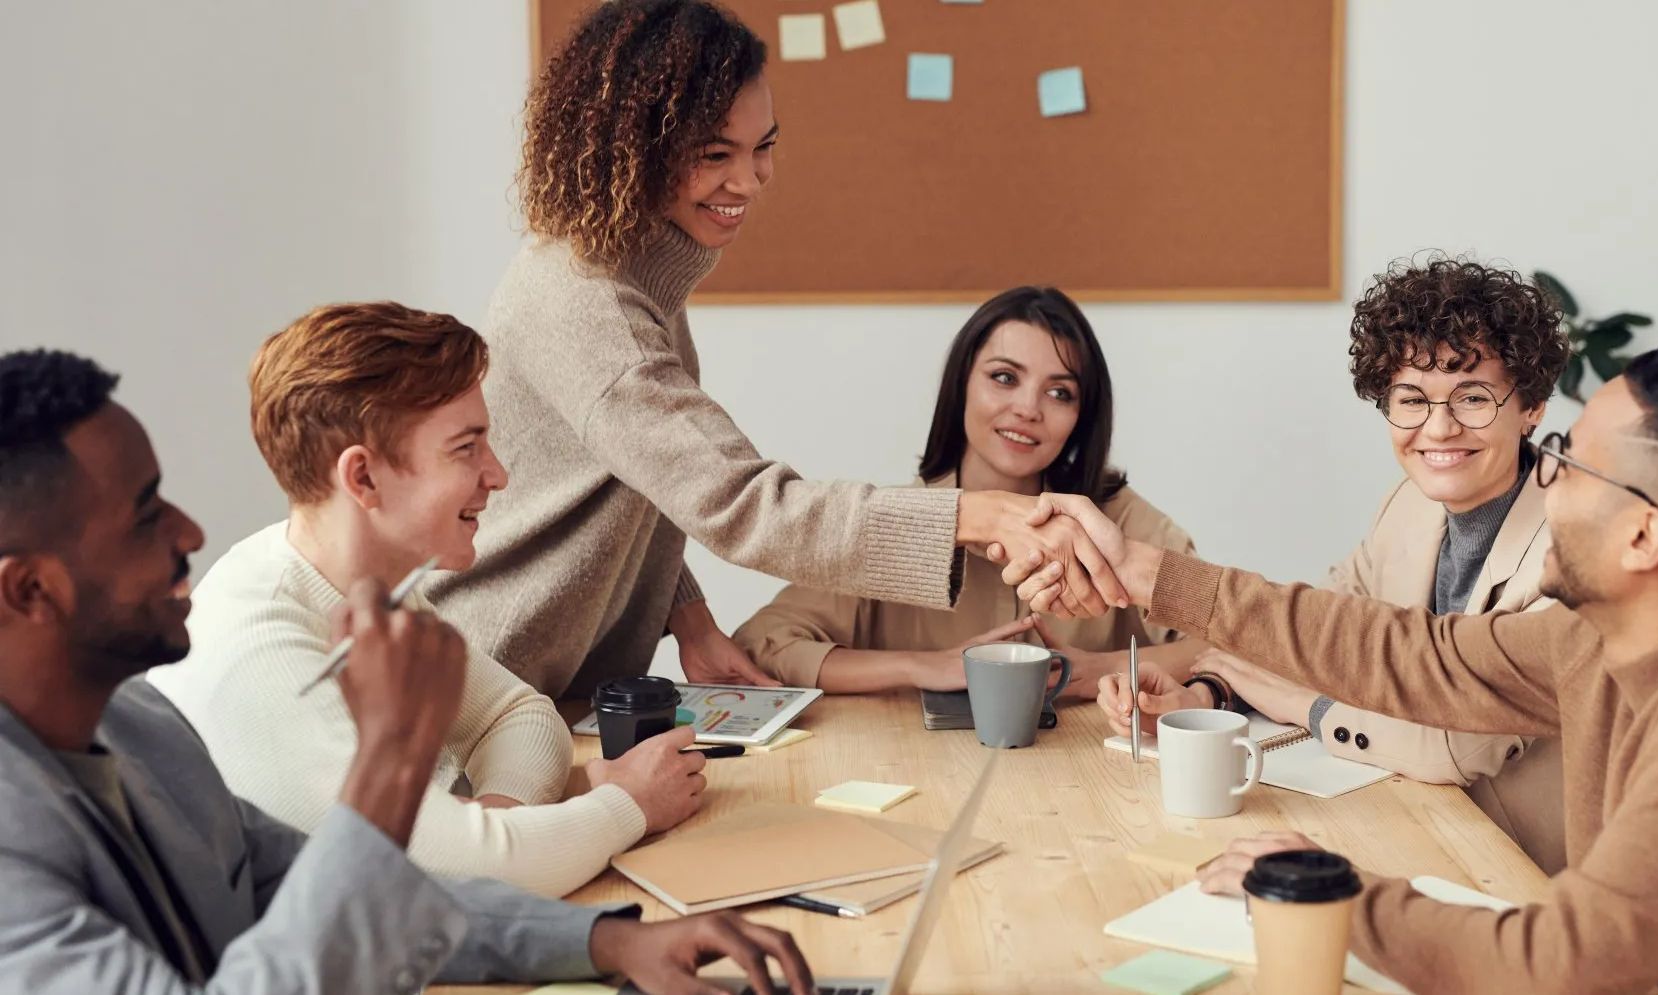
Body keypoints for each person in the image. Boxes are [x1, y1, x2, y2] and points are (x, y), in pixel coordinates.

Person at [1014, 342, 1658, 992]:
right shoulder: (1599, 636)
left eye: (1568, 463)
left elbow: (1564, 962)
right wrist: (1148, 575)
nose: (1543, 482)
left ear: (1644, 535)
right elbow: (1407, 653)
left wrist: (1328, 893)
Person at [0, 349, 811, 995]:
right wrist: (393, 757)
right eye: (147, 512)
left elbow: (337, 888)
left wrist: (608, 939)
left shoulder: (138, 726)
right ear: (30, 587)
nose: (190, 528)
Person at [424, 0, 1124, 700]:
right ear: (635, 148)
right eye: (715, 154)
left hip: (553, 689)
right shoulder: (590, 305)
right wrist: (971, 515)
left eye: (763, 147)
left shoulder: (634, 278)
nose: (750, 180)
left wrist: (690, 619)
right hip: (485, 686)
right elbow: (744, 502)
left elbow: (646, 480)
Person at [148, 303, 702, 899]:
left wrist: (496, 824)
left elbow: (519, 716)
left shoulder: (366, 583)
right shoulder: (261, 649)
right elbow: (451, 879)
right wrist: (627, 805)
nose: (498, 475)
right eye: (466, 448)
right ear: (362, 479)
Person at [1100, 258, 1572, 871]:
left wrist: (1307, 707)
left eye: (1473, 397)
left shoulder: (1570, 547)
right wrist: (1208, 693)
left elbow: (1456, 747)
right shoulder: (1406, 506)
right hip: (1411, 825)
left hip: (1524, 868)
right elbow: (1316, 634)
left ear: (1531, 405)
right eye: (1411, 399)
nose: (1439, 427)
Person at [732, 287, 1200, 695]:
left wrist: (1108, 669)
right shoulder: (896, 523)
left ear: (1083, 417)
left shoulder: (1119, 521)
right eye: (1004, 378)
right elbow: (762, 644)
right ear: (961, 386)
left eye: (1060, 393)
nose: (1027, 409)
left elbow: (1231, 642)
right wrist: (923, 666)